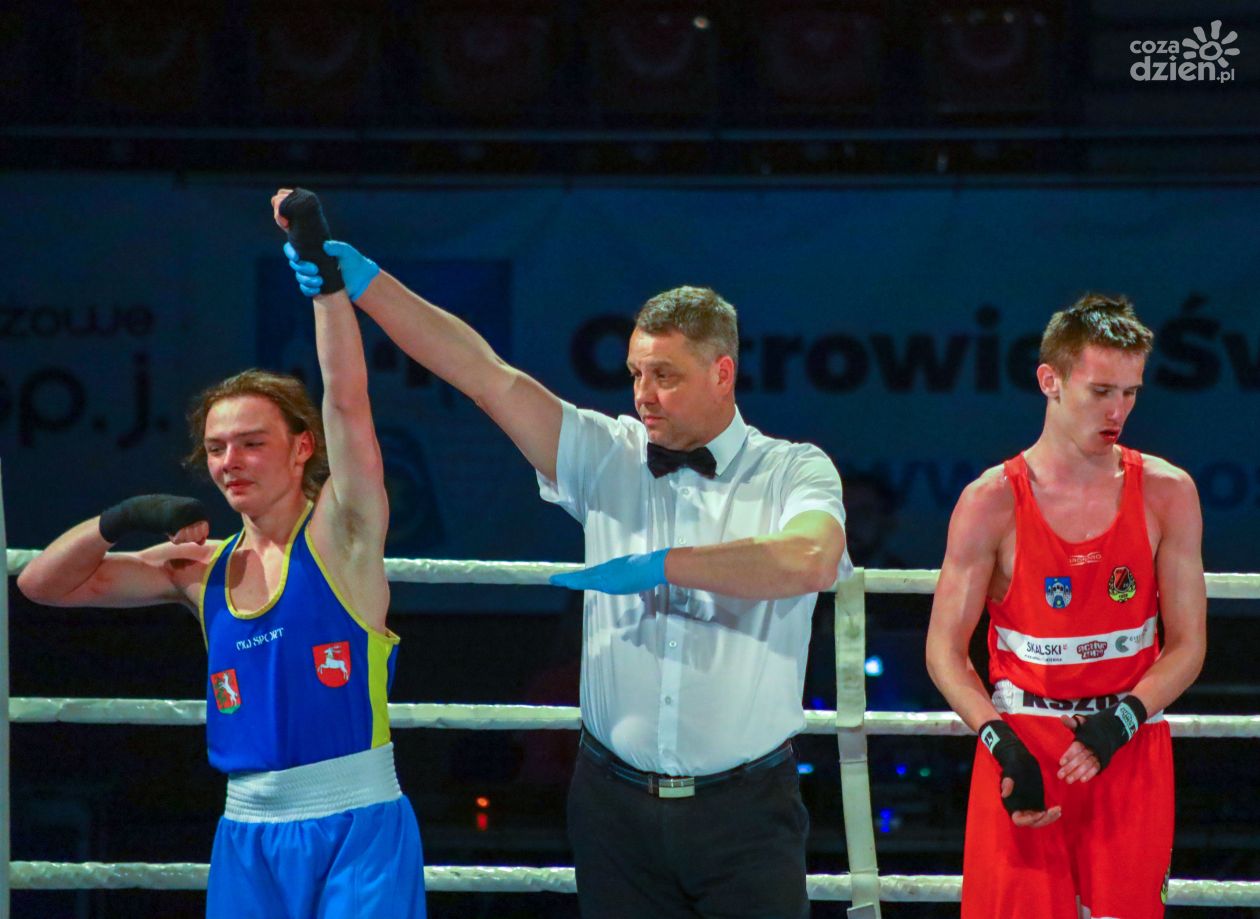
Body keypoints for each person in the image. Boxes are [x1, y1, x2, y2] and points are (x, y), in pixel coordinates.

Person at [280, 216, 850, 918]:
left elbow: (811, 558)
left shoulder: (793, 469)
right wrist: (367, 285)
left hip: (747, 814)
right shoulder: (605, 453)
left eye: (665, 376)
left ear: (722, 373)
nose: (644, 394)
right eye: (636, 373)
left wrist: (665, 564)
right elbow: (483, 375)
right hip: (613, 810)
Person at [17, 189, 425, 919]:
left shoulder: (344, 534)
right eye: (215, 448)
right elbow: (42, 584)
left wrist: (324, 282)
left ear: (302, 447)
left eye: (251, 443)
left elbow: (347, 401)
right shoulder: (198, 569)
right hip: (246, 832)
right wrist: (122, 518)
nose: (230, 461)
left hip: (358, 823)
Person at [925, 294, 1206, 919]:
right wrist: (1000, 742)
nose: (1118, 411)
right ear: (1050, 381)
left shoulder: (1168, 492)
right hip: (1024, 746)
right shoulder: (991, 501)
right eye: (1100, 391)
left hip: (1130, 744)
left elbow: (1188, 645)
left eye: (1130, 393)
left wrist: (1123, 720)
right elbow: (944, 651)